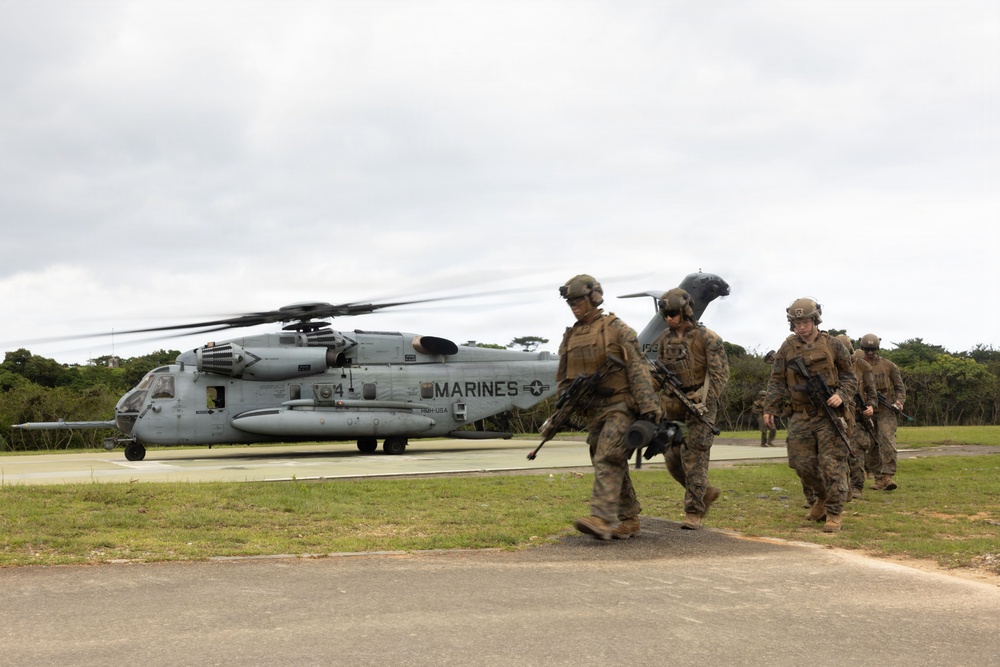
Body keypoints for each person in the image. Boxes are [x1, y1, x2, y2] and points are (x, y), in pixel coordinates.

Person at [552, 274, 662, 540]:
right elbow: (564, 378)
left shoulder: (616, 328)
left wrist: (649, 407)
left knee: (608, 455)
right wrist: (560, 412)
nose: (574, 305)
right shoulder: (571, 336)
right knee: (606, 459)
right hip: (593, 409)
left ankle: (601, 518)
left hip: (620, 404)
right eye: (571, 301)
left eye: (578, 299)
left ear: (594, 297)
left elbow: (637, 367)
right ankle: (630, 517)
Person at [763, 298, 856, 533]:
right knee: (800, 463)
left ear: (815, 320)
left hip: (828, 415)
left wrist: (842, 395)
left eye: (805, 321)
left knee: (831, 463)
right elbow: (776, 380)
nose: (801, 326)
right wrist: (770, 407)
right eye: (797, 322)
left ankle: (834, 512)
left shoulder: (834, 344)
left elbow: (849, 376)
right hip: (800, 414)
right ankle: (822, 497)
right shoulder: (787, 347)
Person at [653, 288, 730, 530]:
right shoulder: (664, 339)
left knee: (693, 458)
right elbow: (660, 373)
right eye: (665, 314)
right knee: (672, 459)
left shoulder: (707, 337)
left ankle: (693, 511)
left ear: (685, 311)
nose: (669, 318)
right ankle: (704, 492)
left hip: (700, 406)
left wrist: (703, 398)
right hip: (673, 405)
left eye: (673, 313)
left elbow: (720, 373)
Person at [860, 333, 906, 491]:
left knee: (886, 440)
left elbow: (899, 387)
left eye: (873, 349)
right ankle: (879, 478)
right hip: (866, 410)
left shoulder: (888, 365)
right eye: (867, 350)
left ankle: (888, 476)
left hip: (886, 408)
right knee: (870, 444)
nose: (870, 353)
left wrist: (899, 401)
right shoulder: (856, 366)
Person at [835, 334, 877, 500]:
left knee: (856, 451)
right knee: (838, 452)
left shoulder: (862, 367)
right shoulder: (829, 367)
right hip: (837, 413)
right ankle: (842, 487)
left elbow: (872, 392)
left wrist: (871, 407)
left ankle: (857, 485)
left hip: (858, 415)